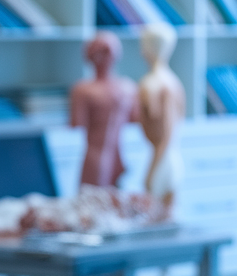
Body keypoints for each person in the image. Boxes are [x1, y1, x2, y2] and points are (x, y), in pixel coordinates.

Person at [71, 31, 137, 189]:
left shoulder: (84, 90)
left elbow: (75, 124)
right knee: (96, 203)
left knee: (111, 204)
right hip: (101, 157)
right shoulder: (127, 88)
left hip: (114, 156)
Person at [137, 22, 185, 216]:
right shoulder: (174, 81)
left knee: (158, 219)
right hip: (170, 156)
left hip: (163, 158)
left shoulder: (154, 85)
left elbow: (166, 131)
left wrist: (152, 170)